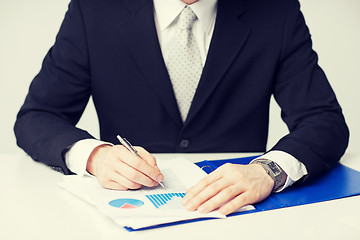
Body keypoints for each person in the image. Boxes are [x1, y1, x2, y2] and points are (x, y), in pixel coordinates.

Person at [14, 0, 349, 215]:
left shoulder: (277, 12)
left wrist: (268, 172)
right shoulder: (94, 11)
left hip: (238, 215)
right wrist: (95, 156)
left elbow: (324, 121)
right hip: (130, 209)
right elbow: (38, 116)